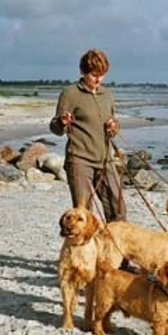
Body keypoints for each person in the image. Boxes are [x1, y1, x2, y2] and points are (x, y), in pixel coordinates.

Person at [49, 48, 126, 222]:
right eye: (93, 74)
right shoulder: (70, 93)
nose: (98, 79)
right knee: (83, 214)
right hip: (79, 159)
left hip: (105, 159)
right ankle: (84, 249)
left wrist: (113, 126)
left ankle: (114, 248)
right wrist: (62, 121)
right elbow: (55, 127)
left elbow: (115, 125)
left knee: (118, 210)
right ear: (83, 71)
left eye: (102, 74)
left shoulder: (106, 94)